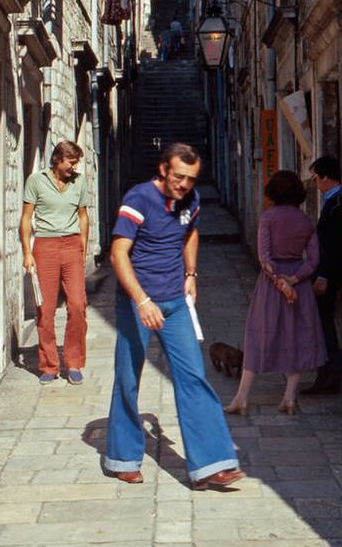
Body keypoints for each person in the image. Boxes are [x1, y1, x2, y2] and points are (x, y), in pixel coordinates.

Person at [103, 142, 244, 490]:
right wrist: (142, 300)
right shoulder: (137, 199)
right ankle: (123, 457)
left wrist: (191, 274)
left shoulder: (190, 200)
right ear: (164, 169)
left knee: (194, 377)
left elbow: (190, 232)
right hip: (138, 302)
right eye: (179, 176)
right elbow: (118, 253)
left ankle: (210, 465)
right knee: (128, 376)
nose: (184, 184)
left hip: (176, 302)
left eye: (191, 179)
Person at [224, 169, 326, 416]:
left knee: (258, 335)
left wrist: (280, 281)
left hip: (271, 287)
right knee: (295, 337)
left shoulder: (268, 218)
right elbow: (313, 261)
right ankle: (289, 397)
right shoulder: (307, 221)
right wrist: (293, 279)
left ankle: (241, 397)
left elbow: (264, 258)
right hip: (298, 283)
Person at [20, 141, 90, 384]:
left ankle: (73, 363)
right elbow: (26, 218)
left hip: (72, 245)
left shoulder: (79, 181)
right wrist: (27, 252)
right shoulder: (36, 181)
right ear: (58, 160)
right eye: (71, 162)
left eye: (76, 163)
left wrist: (83, 250)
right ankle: (49, 364)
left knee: (78, 304)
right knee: (45, 308)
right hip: (45, 246)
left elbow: (83, 217)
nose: (74, 167)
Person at [303, 154, 342, 395]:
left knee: (323, 323)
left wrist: (324, 276)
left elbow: (332, 243)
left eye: (317, 178)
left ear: (327, 177)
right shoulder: (332, 202)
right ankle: (326, 372)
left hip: (327, 275)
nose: (316, 183)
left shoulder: (336, 203)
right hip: (324, 272)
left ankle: (330, 371)